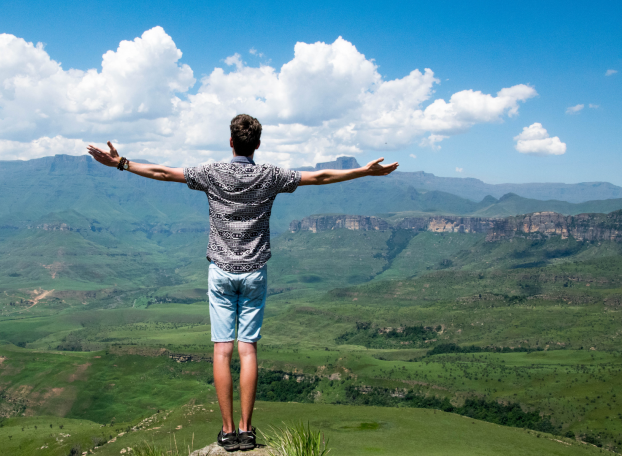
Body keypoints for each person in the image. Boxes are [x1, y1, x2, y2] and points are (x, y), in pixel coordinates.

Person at [87, 114, 399, 451]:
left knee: (222, 350)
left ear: (231, 142)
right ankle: (248, 431)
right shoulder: (270, 175)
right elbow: (320, 176)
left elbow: (163, 173)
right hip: (254, 273)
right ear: (258, 145)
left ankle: (227, 432)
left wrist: (121, 163)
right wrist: (364, 171)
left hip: (220, 272)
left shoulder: (212, 173)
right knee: (247, 349)